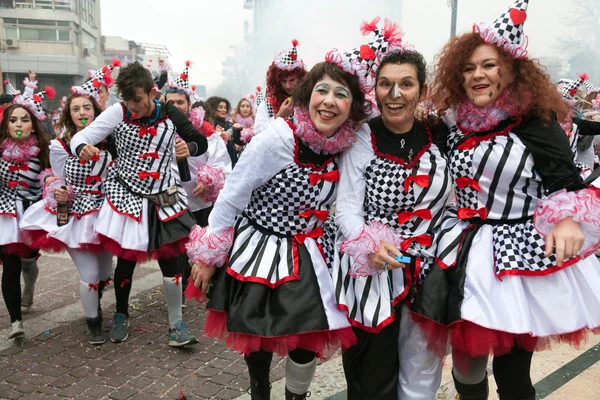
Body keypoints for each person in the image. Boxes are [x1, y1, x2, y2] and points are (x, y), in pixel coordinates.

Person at [185, 24, 404, 398]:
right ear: (307, 96)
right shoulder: (279, 136)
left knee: (309, 335)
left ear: (352, 106)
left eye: (341, 94)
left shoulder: (346, 142)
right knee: (258, 334)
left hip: (313, 249)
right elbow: (234, 193)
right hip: (261, 245)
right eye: (322, 90)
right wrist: (209, 254)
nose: (329, 101)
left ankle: (295, 396)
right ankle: (259, 391)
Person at [410, 2, 600, 399]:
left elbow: (564, 180)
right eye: (468, 68)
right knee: (467, 368)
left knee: (512, 374)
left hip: (519, 256)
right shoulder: (451, 124)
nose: (478, 74)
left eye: (489, 65)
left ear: (510, 70)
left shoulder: (535, 120)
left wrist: (565, 219)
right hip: (462, 252)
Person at [333, 22, 449, 397]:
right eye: (386, 84)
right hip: (373, 271)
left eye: (406, 83)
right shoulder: (362, 137)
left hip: (429, 269)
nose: (395, 93)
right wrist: (369, 243)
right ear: (375, 89)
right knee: (372, 377)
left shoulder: (441, 135)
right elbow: (346, 209)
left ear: (422, 91)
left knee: (422, 375)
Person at [70, 61, 208, 347]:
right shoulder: (117, 112)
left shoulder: (170, 112)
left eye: (139, 100)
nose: (134, 107)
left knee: (172, 262)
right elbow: (82, 136)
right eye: (129, 100)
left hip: (164, 194)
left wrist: (189, 148)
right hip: (128, 193)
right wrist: (82, 147)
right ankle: (121, 315)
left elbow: (200, 142)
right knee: (127, 260)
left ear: (152, 92)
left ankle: (176, 324)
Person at [20, 67, 118, 345]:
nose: (82, 112)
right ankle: (93, 322)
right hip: (75, 217)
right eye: (76, 108)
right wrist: (58, 192)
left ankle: (94, 305)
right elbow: (54, 177)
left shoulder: (110, 141)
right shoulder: (60, 145)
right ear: (69, 114)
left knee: (102, 273)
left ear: (96, 111)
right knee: (89, 275)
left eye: (87, 106)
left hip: (106, 215)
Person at [164, 62, 232, 304]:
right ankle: (180, 293)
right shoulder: (158, 130)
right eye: (170, 103)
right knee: (176, 252)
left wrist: (208, 179)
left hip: (201, 202)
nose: (175, 107)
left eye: (180, 102)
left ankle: (205, 285)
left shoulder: (206, 132)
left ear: (189, 104)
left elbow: (222, 162)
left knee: (202, 248)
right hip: (171, 204)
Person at [0, 86, 53, 339]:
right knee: (9, 267)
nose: (19, 124)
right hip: (5, 215)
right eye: (13, 120)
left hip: (30, 215)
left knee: (28, 263)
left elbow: (50, 178)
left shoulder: (44, 150)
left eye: (24, 119)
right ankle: (16, 323)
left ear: (33, 124)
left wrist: (51, 185)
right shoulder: (0, 151)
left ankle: (29, 288)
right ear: (6, 125)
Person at [254, 40, 308, 135]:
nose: (288, 86)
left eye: (292, 80)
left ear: (300, 79)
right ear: (277, 82)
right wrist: (279, 116)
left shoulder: (309, 99)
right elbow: (258, 132)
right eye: (284, 81)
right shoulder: (267, 104)